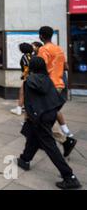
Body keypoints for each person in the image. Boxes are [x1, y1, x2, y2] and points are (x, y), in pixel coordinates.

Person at [17, 57, 81, 189]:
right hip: (50, 114)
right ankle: (25, 159)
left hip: (39, 117)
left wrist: (28, 116)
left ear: (32, 67)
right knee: (33, 137)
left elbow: (29, 102)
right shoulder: (48, 79)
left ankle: (69, 176)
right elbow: (55, 98)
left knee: (50, 147)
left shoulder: (28, 81)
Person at [38, 26, 76, 157]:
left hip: (48, 86)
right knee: (48, 113)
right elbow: (66, 66)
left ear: (41, 36)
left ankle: (65, 141)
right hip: (59, 84)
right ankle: (37, 143)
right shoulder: (59, 49)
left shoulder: (43, 49)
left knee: (43, 116)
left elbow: (40, 69)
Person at [11, 43, 34, 116]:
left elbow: (27, 67)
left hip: (28, 77)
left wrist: (23, 75)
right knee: (26, 93)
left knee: (22, 92)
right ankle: (23, 108)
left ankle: (19, 109)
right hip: (33, 77)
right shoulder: (32, 56)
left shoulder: (25, 56)